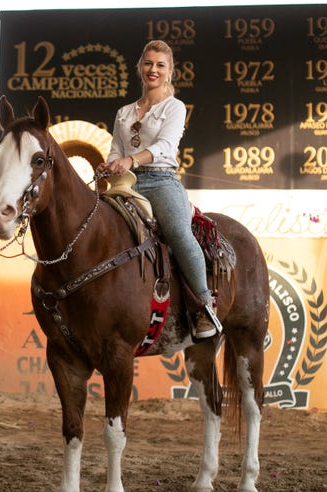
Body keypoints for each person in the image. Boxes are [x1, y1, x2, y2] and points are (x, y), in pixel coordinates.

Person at [96, 39, 220, 339]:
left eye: (160, 65)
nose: (153, 69)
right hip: (127, 183)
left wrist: (130, 159)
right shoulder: (125, 112)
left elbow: (165, 146)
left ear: (170, 71)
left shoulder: (174, 107)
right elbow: (115, 148)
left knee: (179, 233)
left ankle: (204, 307)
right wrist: (110, 164)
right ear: (139, 67)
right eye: (148, 63)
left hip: (161, 181)